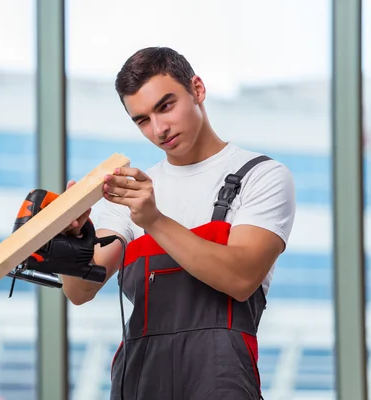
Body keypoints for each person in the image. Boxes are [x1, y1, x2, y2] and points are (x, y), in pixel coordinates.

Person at [60, 47, 296, 399]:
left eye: (165, 106)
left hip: (219, 383)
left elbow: (241, 277)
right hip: (139, 382)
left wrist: (153, 220)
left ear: (197, 90)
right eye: (142, 120)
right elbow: (80, 291)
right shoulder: (132, 192)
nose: (158, 129)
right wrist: (73, 237)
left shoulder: (261, 177)